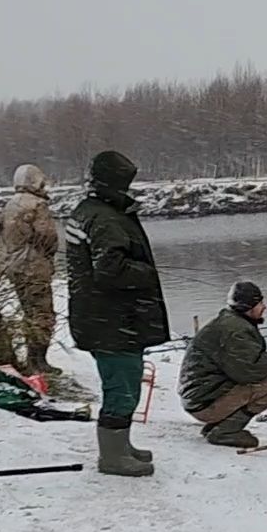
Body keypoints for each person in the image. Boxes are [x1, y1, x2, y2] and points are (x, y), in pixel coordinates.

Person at [66, 150, 169, 477]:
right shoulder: (106, 217)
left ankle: (121, 445)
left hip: (101, 316)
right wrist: (147, 272)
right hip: (111, 320)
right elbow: (110, 271)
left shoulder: (89, 210)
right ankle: (112, 457)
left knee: (122, 384)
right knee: (122, 387)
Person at [179, 281, 267, 448]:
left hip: (197, 398)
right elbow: (251, 372)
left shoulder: (230, 321)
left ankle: (218, 425)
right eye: (260, 303)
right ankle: (226, 431)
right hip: (203, 404)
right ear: (248, 307)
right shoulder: (236, 330)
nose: (264, 307)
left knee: (264, 379)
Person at [0, 163, 59, 374]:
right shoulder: (37, 205)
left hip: (13, 265)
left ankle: (32, 360)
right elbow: (47, 236)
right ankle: (38, 361)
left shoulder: (10, 204)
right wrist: (49, 256)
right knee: (43, 314)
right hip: (34, 266)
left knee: (28, 312)